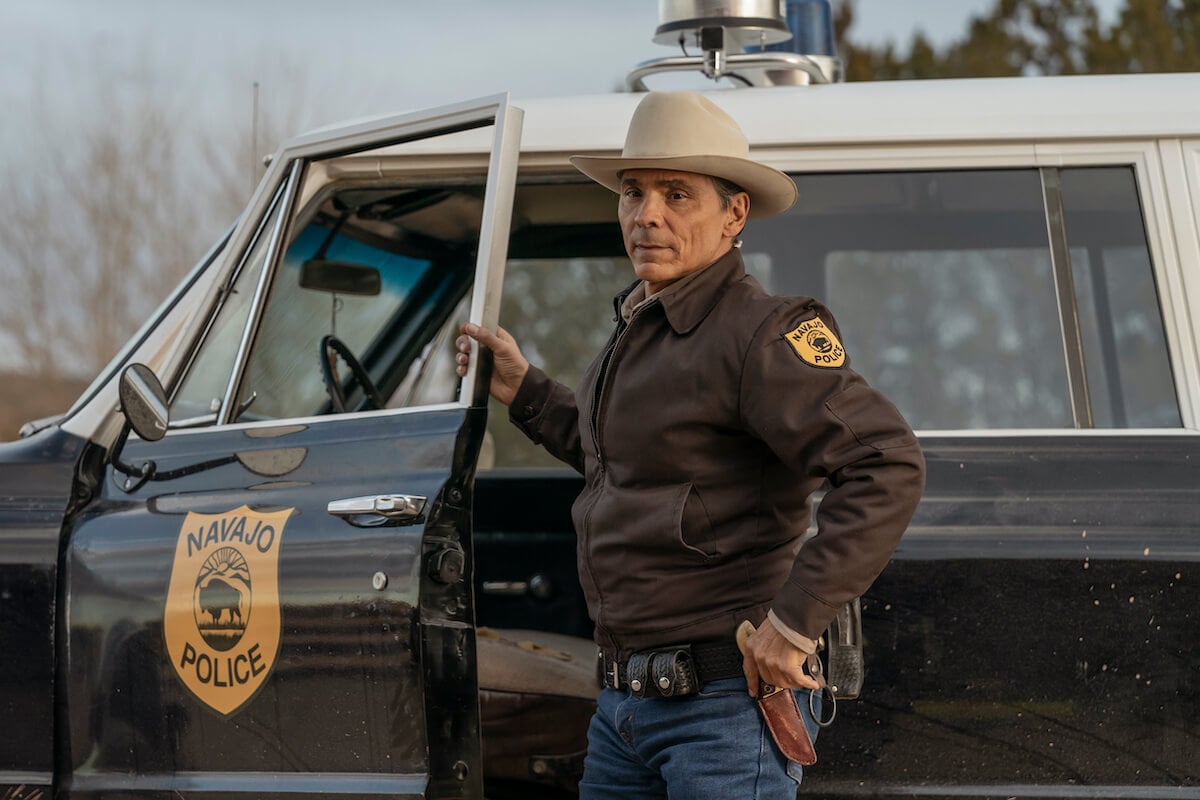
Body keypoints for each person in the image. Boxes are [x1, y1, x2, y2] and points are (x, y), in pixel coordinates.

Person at [456, 91, 925, 798]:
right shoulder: (639, 325)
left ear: (734, 214)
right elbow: (618, 463)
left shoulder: (760, 332)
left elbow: (886, 464)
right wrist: (525, 389)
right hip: (622, 708)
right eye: (634, 192)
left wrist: (793, 626)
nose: (648, 214)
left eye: (678, 195)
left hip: (721, 710)